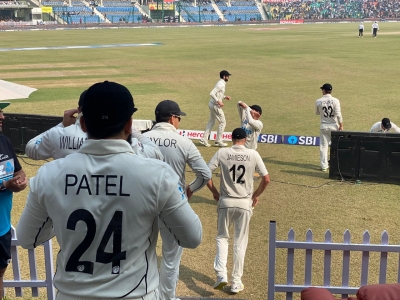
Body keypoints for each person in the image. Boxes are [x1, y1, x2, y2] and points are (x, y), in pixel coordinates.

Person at [16, 81, 202, 300]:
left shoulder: (48, 175)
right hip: (135, 295)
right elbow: (192, 237)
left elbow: (27, 239)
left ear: (83, 124)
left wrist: (60, 217)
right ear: (129, 124)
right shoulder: (158, 175)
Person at [143, 100, 211, 300]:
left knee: (142, 254)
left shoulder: (141, 139)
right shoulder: (183, 141)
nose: (179, 121)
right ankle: (167, 298)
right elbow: (205, 175)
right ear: (172, 118)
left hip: (144, 204)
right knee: (171, 258)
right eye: (179, 118)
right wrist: (190, 189)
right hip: (173, 205)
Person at [206, 128, 270, 294]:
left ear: (231, 138)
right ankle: (236, 281)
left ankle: (221, 275)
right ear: (245, 139)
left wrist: (215, 193)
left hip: (225, 201)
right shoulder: (253, 154)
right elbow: (266, 179)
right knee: (239, 242)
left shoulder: (222, 152)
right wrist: (255, 195)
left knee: (222, 237)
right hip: (244, 203)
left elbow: (206, 174)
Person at [25, 90, 163, 161]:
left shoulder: (58, 134)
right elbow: (156, 154)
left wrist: (62, 125)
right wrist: (130, 128)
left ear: (79, 111)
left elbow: (31, 148)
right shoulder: (123, 140)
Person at [0, 102, 28, 299]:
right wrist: (5, 186)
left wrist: (20, 180)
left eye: (1, 112)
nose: (2, 117)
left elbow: (18, 170)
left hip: (2, 226)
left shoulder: (4, 141)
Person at [199, 70, 232, 148]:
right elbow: (212, 93)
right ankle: (218, 141)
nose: (228, 77)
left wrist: (224, 97)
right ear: (224, 77)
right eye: (227, 76)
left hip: (212, 104)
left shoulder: (221, 83)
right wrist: (219, 102)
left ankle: (204, 139)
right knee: (223, 122)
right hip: (215, 105)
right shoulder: (220, 84)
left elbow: (218, 93)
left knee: (212, 122)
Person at [315, 83, 343, 172]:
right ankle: (336, 164)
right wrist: (341, 125)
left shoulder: (318, 101)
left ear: (324, 90)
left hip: (324, 126)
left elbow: (317, 113)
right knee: (336, 146)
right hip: (334, 126)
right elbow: (338, 114)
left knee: (324, 146)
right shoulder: (336, 100)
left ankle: (324, 166)